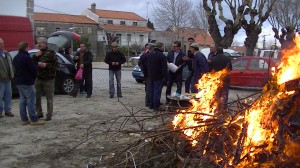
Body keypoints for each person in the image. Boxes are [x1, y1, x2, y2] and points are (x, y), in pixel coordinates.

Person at [13, 42, 44, 125]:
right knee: (30, 100)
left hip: (18, 81)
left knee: (22, 101)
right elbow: (33, 69)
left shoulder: (16, 57)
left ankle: (24, 119)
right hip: (27, 82)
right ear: (26, 47)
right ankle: (34, 119)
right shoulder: (26, 57)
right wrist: (38, 66)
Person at [32, 37, 58, 121]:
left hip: (49, 79)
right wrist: (35, 57)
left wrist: (46, 65)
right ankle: (39, 113)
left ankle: (49, 115)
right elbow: (32, 63)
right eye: (38, 43)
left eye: (40, 43)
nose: (38, 45)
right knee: (37, 97)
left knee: (49, 98)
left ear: (45, 44)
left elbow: (56, 65)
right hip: (39, 78)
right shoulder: (37, 53)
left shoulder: (51, 53)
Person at [147, 41, 168, 111]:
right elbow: (164, 68)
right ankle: (156, 106)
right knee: (157, 91)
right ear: (161, 47)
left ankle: (151, 105)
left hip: (150, 76)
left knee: (151, 91)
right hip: (159, 76)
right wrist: (166, 78)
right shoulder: (162, 56)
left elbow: (147, 65)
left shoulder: (149, 55)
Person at [210, 46, 232, 110]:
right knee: (224, 93)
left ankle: (216, 107)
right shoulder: (227, 58)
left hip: (216, 79)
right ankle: (224, 108)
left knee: (217, 94)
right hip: (225, 79)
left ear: (216, 51)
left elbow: (210, 70)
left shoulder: (213, 58)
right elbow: (230, 68)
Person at [0, 38, 15, 118]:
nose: (2, 45)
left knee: (8, 95)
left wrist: (12, 72)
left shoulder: (6, 53)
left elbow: (11, 64)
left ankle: (8, 110)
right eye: (0, 44)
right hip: (1, 79)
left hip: (8, 78)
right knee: (0, 96)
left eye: (2, 43)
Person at [138, 43, 155, 107]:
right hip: (147, 74)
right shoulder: (145, 55)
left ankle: (151, 101)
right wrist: (143, 69)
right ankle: (148, 102)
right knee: (148, 88)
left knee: (150, 88)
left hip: (151, 74)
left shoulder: (152, 54)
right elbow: (140, 62)